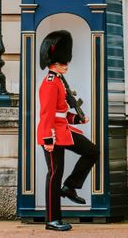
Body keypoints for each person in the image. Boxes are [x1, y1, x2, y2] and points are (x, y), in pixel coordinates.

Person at [37, 30, 99, 232]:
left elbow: (60, 113)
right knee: (55, 174)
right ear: (53, 62)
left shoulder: (59, 81)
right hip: (52, 134)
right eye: (62, 62)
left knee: (91, 151)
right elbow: (46, 114)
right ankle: (52, 219)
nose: (66, 65)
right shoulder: (49, 83)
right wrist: (47, 139)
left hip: (62, 129)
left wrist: (77, 118)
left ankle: (70, 186)